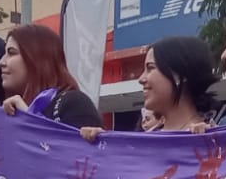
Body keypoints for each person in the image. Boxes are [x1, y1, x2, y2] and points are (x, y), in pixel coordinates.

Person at [81, 36, 217, 142]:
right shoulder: (144, 142)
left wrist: (213, 141)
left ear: (181, 75)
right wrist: (101, 145)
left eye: (150, 68)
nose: (141, 79)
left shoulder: (215, 141)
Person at [0, 24, 103, 128]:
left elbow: (76, 144)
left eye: (12, 53)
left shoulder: (74, 103)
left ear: (37, 59)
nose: (1, 62)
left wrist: (28, 119)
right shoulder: (12, 108)